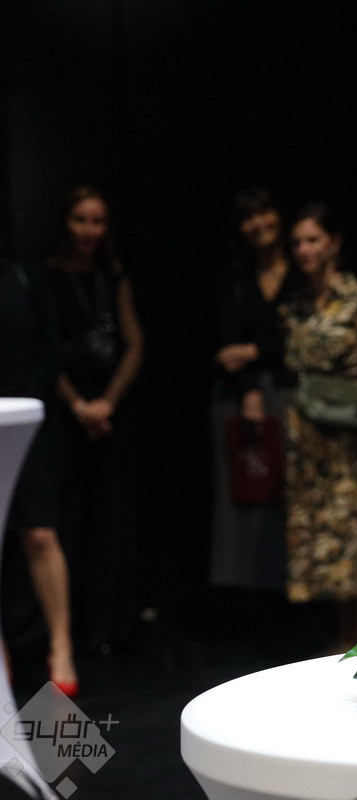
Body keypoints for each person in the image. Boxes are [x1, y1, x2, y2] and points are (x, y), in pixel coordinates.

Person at [279, 203, 357, 653]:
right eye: (297, 242)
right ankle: (341, 635)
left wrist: (354, 407)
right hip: (307, 437)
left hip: (350, 434)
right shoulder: (296, 305)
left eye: (313, 240)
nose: (304, 250)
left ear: (333, 243)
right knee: (322, 537)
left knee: (355, 531)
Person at [44, 186, 144, 657]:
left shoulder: (113, 275)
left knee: (111, 519)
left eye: (97, 221)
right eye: (81, 220)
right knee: (67, 520)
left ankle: (111, 626)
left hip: (110, 410)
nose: (88, 230)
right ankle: (68, 630)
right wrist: (78, 405)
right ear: (66, 222)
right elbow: (43, 349)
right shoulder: (46, 276)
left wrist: (106, 402)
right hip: (65, 411)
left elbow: (134, 344)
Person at [210, 188, 301, 597]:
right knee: (243, 498)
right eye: (247, 217)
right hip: (239, 396)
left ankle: (293, 597)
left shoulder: (300, 270)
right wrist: (249, 385)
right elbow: (225, 342)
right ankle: (249, 600)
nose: (257, 224)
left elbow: (302, 338)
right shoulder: (235, 276)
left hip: (291, 393)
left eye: (263, 212)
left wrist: (255, 351)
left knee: (288, 496)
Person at [0, 255, 78, 696]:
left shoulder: (24, 275)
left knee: (40, 533)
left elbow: (51, 347)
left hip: (27, 422)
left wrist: (26, 401)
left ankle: (61, 645)